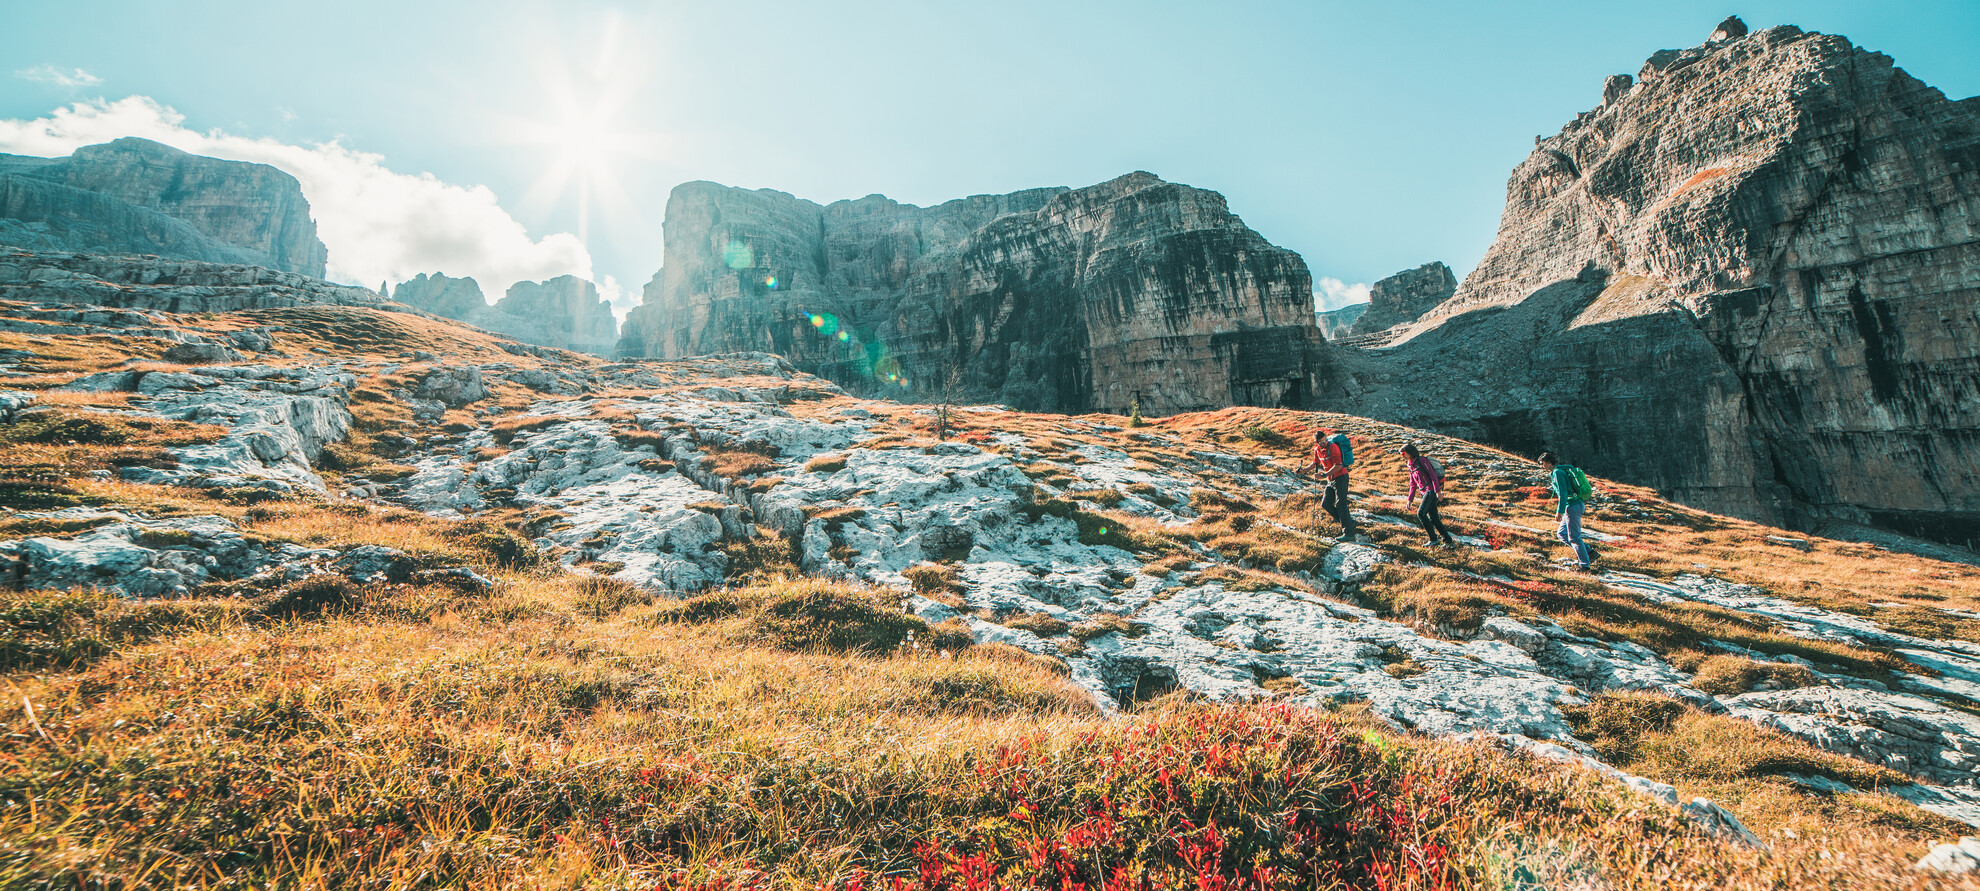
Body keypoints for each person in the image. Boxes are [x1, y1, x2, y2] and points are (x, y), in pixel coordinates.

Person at [1302, 428, 1362, 542]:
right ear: (1316, 443)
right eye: (1321, 442)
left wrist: (1324, 475)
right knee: (1326, 504)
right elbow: (1315, 463)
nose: (1325, 443)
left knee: (1341, 504)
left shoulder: (1332, 447)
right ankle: (1350, 523)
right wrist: (1303, 470)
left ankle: (1349, 534)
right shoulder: (1317, 450)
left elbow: (1338, 465)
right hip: (1331, 479)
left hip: (1341, 477)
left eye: (1325, 440)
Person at [1538, 451, 1593, 570]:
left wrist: (1559, 511)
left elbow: (1563, 493)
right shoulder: (1559, 470)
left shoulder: (1557, 472)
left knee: (1574, 537)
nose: (1541, 466)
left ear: (1548, 462)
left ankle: (1585, 566)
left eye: (1542, 463)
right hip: (1575, 505)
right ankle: (1589, 552)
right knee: (1562, 534)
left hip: (1572, 506)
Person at [1400, 443, 1457, 548]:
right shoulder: (1410, 465)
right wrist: (1409, 500)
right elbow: (1412, 483)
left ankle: (1434, 540)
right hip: (1424, 492)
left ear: (1409, 452)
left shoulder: (1422, 460)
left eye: (1403, 453)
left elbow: (1433, 475)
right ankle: (1448, 542)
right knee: (1434, 518)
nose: (1402, 456)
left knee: (1421, 514)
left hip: (1431, 491)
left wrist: (1438, 491)